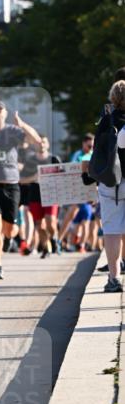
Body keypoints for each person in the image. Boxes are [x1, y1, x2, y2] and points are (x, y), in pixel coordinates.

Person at [0, 100, 41, 279]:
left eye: (0, 110)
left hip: (11, 184)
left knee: (9, 230)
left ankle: (8, 239)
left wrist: (21, 124)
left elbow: (36, 141)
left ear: (5, 113)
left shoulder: (13, 131)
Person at [87, 80, 125, 293]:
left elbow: (97, 152)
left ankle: (114, 278)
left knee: (112, 230)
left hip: (111, 182)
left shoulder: (106, 120)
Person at [25, 135, 61, 256]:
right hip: (35, 195)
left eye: (44, 142)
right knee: (39, 224)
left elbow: (63, 176)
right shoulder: (30, 161)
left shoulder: (54, 159)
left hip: (51, 194)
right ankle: (46, 248)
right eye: (39, 142)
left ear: (48, 144)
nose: (41, 145)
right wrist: (34, 177)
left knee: (50, 222)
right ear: (35, 144)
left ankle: (54, 239)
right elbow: (21, 179)